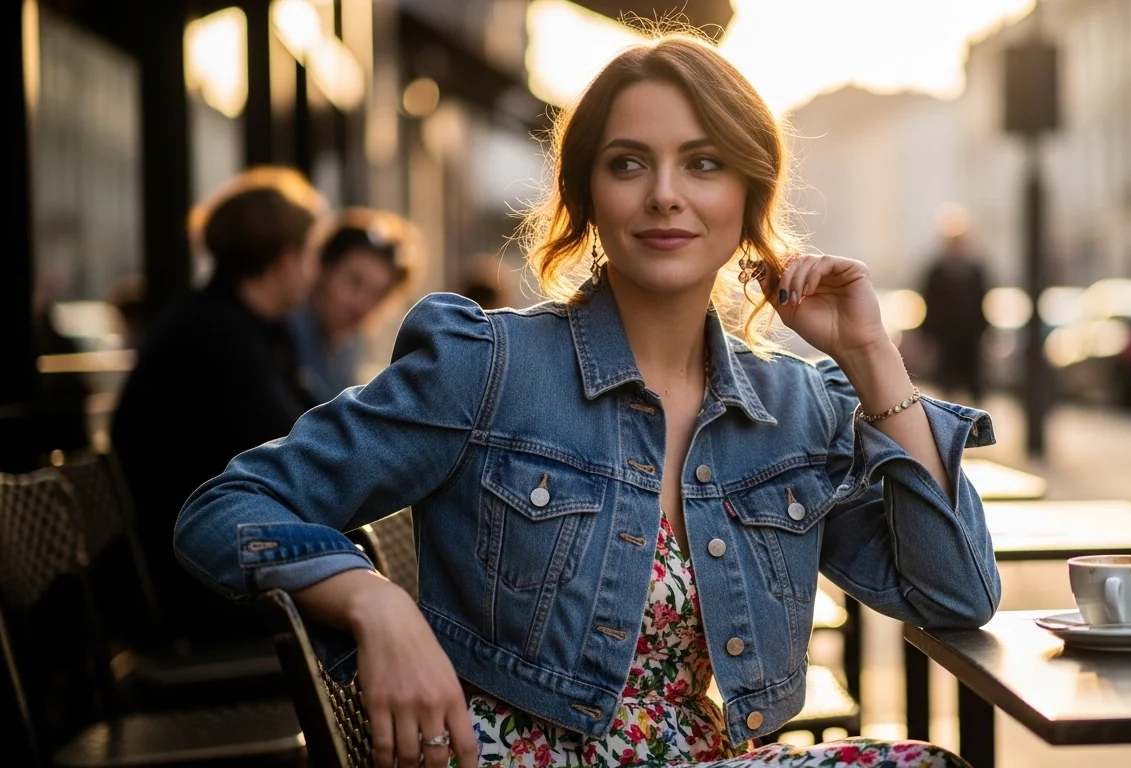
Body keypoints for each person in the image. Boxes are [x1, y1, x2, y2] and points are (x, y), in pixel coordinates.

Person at [174, 34, 998, 768]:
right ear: (588, 195)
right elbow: (223, 509)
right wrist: (370, 599)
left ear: (749, 196)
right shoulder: (488, 366)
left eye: (704, 163)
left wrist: (869, 356)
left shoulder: (791, 408)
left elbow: (954, 595)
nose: (665, 194)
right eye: (629, 162)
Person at [113, 166, 326, 643]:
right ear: (287, 259)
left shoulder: (248, 329)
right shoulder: (218, 338)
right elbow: (296, 453)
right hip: (196, 581)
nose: (313, 273)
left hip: (212, 557)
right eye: (311, 255)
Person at [289, 208, 421, 404]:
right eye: (354, 282)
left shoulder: (351, 349)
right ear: (324, 268)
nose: (362, 305)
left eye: (378, 295)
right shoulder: (283, 335)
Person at [919, 209, 989, 403]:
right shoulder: (936, 272)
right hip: (946, 339)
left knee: (973, 386)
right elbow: (928, 303)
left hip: (970, 339)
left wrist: (984, 331)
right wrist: (928, 335)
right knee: (947, 387)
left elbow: (983, 303)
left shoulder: (975, 270)